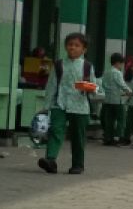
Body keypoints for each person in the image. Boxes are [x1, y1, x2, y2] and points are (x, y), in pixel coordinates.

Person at [38, 32, 102, 174]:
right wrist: (46, 107)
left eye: (77, 45)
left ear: (84, 49)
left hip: (80, 106)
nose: (72, 48)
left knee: (78, 136)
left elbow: (95, 87)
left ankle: (78, 165)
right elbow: (51, 86)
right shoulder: (59, 64)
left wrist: (89, 87)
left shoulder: (87, 66)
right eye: (70, 45)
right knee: (56, 130)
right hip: (59, 104)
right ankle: (50, 160)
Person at [100, 53, 131, 146]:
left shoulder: (106, 72)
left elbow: (103, 85)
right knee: (121, 119)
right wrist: (129, 91)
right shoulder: (117, 72)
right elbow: (121, 84)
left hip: (108, 100)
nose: (122, 66)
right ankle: (118, 137)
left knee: (109, 120)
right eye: (122, 63)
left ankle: (108, 138)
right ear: (118, 63)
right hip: (117, 100)